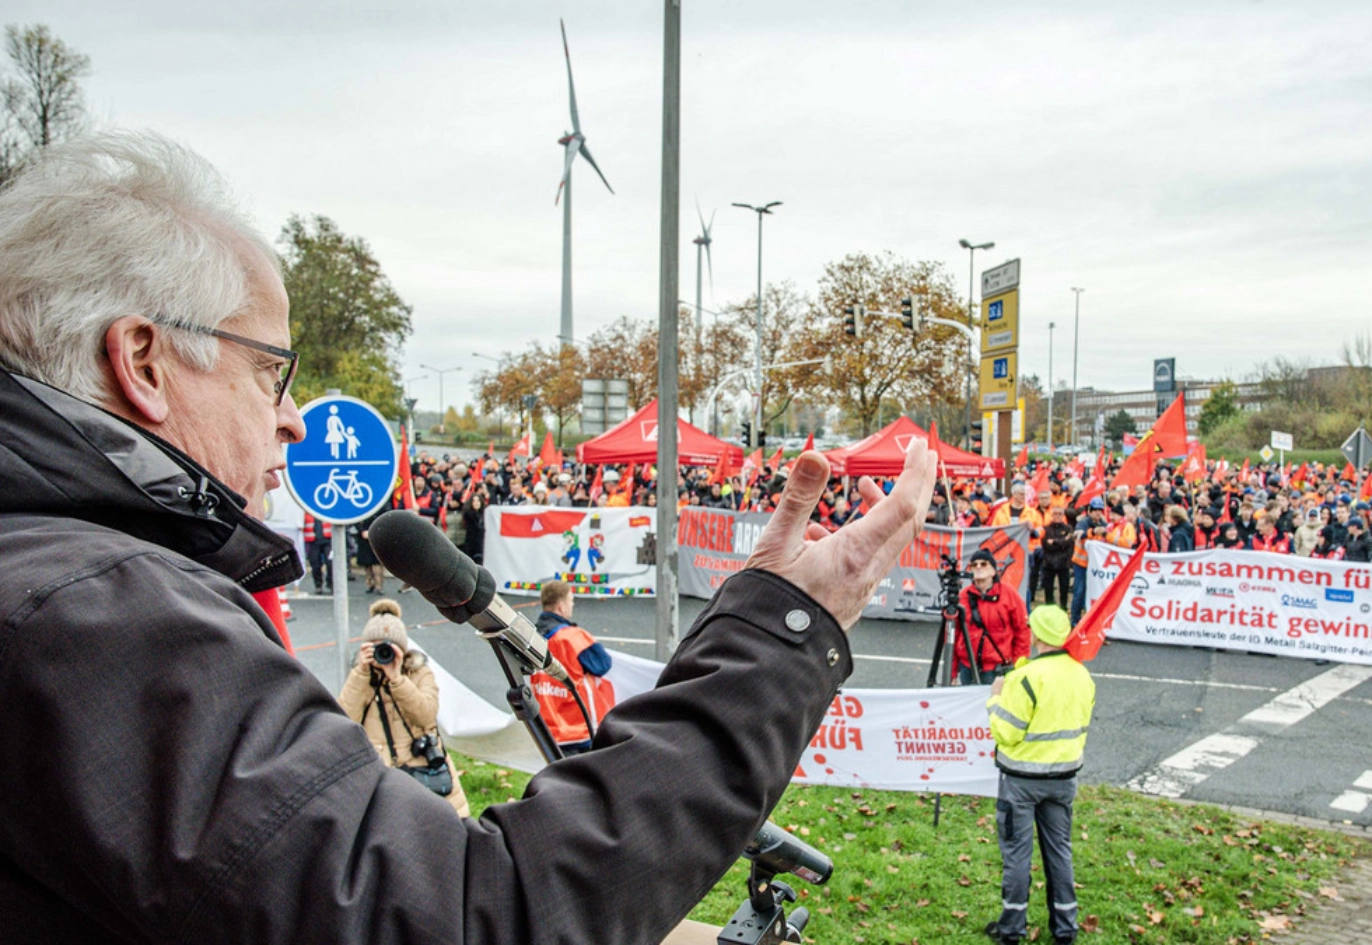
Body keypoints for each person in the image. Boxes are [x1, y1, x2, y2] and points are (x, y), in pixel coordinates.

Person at [0, 132, 940, 944]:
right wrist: (783, 633)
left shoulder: (53, 579)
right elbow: (475, 918)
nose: (292, 421)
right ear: (143, 360)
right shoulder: (95, 615)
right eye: (269, 372)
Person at [984, 605, 1095, 945]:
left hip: (1021, 780)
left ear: (1036, 636)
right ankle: (1065, 927)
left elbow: (1006, 731)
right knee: (1059, 851)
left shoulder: (1024, 678)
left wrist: (994, 699)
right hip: (1063, 779)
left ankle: (1011, 928)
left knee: (1018, 855)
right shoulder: (1081, 675)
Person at [337, 600, 470, 816]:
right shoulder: (361, 677)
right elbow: (344, 722)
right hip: (380, 776)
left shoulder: (419, 672)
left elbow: (426, 716)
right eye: (376, 646)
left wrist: (397, 679)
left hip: (422, 770)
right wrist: (361, 673)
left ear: (402, 649)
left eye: (388, 647)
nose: (383, 653)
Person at [530, 580, 615, 752]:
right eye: (571, 601)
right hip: (578, 729)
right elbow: (603, 664)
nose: (572, 606)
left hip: (547, 729)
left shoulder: (532, 637)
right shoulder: (573, 638)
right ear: (561, 606)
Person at [956, 549, 1031, 685]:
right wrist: (952, 671)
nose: (978, 567)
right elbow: (953, 634)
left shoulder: (1009, 595)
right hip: (967, 667)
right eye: (974, 564)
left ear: (993, 571)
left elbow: (1022, 631)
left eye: (984, 564)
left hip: (997, 669)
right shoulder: (963, 596)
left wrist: (1019, 665)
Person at [1039, 507, 1075, 610]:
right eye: (1055, 514)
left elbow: (1069, 543)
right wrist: (1062, 542)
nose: (1057, 516)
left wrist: (1055, 542)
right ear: (1051, 515)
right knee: (1048, 589)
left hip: (1063, 563)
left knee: (1064, 589)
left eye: (1060, 514)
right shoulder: (1046, 528)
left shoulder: (1068, 528)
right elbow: (1046, 544)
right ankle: (1049, 608)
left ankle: (1063, 608)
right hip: (1049, 563)